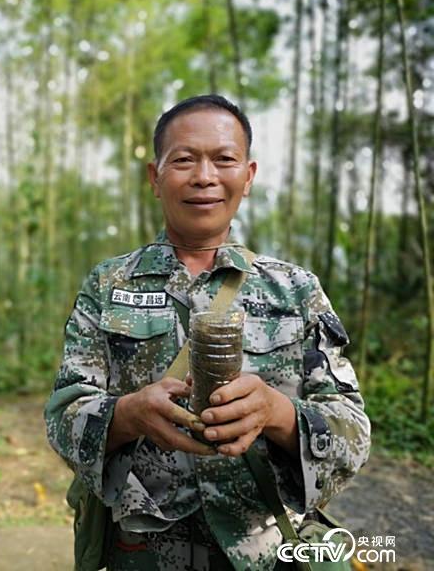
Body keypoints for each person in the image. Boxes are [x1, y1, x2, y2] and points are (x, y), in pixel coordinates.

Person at [44, 94, 371, 571]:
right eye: (183, 160)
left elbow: (353, 431)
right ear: (155, 178)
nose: (204, 176)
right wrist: (127, 415)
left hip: (270, 552)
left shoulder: (296, 290)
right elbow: (62, 415)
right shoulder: (108, 285)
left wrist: (277, 413)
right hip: (142, 555)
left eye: (224, 159)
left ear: (249, 176)